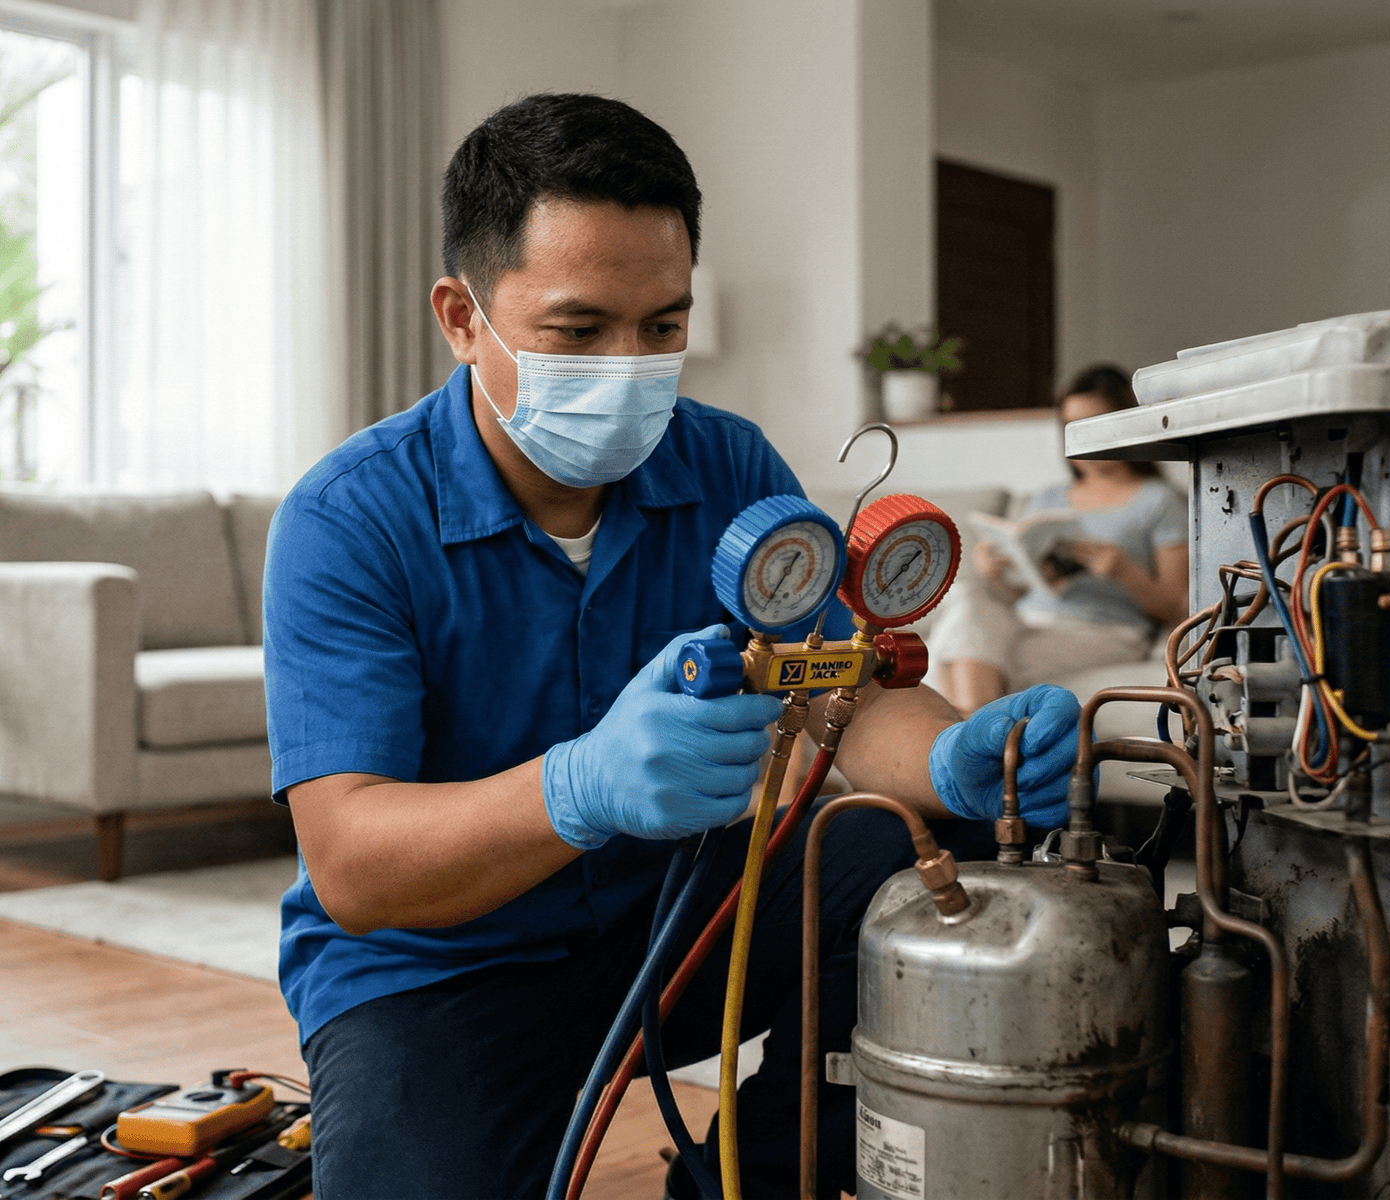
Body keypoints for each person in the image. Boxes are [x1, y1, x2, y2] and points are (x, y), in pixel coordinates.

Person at [263, 93, 1082, 1200]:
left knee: (918, 846)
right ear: (462, 317)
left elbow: (843, 690)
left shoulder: (728, 466)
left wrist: (947, 759)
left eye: (662, 326)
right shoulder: (349, 518)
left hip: (680, 913)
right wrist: (577, 787)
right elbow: (352, 865)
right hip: (437, 969)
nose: (629, 367)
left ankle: (744, 1171)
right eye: (577, 329)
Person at [928, 364, 1188, 715]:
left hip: (1108, 630)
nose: (1084, 437)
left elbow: (1175, 607)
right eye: (1072, 426)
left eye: (1096, 424)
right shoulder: (1048, 498)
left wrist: (1124, 570)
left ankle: (964, 734)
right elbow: (1014, 593)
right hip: (1030, 618)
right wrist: (995, 572)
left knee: (963, 653)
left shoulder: (1159, 500)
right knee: (968, 596)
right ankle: (976, 735)